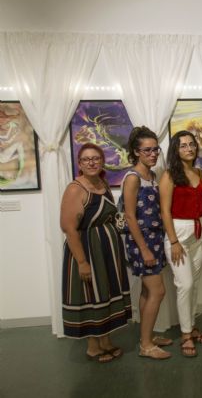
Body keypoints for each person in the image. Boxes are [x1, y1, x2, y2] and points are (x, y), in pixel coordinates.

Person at [60, 143, 131, 363]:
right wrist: (81, 262)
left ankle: (106, 341)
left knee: (106, 293)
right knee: (91, 295)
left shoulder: (102, 183)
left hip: (107, 250)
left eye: (96, 158)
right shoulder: (75, 188)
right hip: (87, 250)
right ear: (80, 164)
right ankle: (93, 346)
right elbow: (68, 228)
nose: (91, 162)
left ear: (101, 162)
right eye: (86, 159)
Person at [121, 126, 171, 359]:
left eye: (155, 149)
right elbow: (130, 216)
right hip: (142, 243)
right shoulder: (133, 178)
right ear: (136, 152)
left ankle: (147, 336)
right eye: (147, 150)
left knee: (147, 292)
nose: (153, 154)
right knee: (158, 291)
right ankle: (146, 346)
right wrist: (144, 249)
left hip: (155, 239)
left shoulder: (151, 176)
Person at [159, 131, 202, 357]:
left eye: (192, 144)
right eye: (183, 145)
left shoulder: (199, 172)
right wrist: (173, 241)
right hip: (178, 232)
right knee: (185, 284)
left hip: (200, 229)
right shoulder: (169, 176)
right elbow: (165, 211)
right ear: (175, 150)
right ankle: (186, 334)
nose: (189, 148)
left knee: (195, 283)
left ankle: (191, 325)